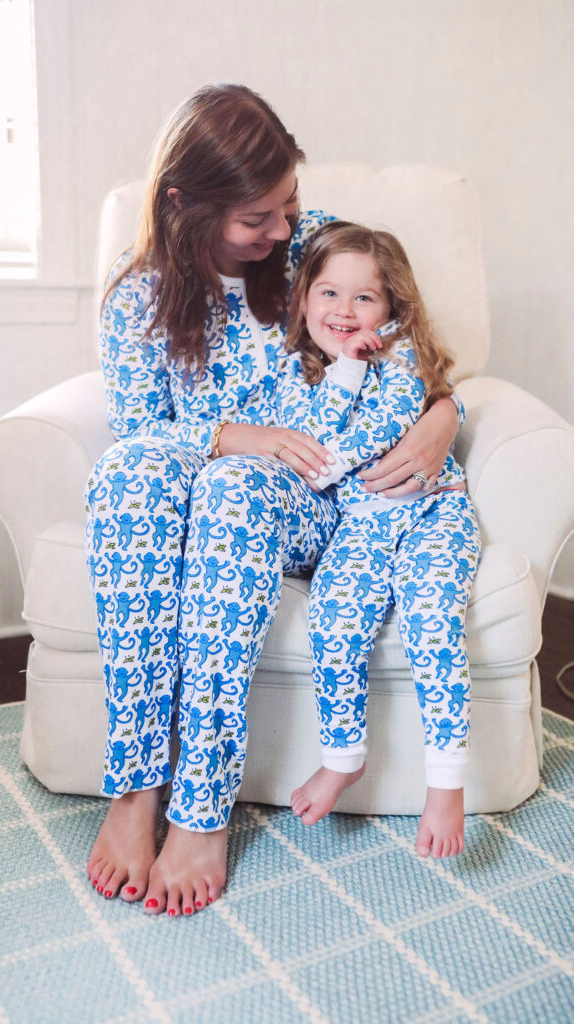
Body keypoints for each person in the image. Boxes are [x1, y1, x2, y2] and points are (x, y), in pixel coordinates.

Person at [84, 84, 464, 917]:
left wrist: (442, 416)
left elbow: (407, 346)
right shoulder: (135, 298)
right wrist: (232, 434)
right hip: (206, 491)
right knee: (129, 477)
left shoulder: (310, 250)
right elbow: (140, 436)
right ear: (185, 206)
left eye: (289, 203)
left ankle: (201, 804)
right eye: (258, 217)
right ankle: (139, 786)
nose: (283, 230)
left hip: (311, 504)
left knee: (233, 490)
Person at [276, 221, 481, 858]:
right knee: (333, 620)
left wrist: (329, 445)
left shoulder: (403, 362)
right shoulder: (296, 374)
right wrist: (339, 372)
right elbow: (302, 434)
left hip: (432, 515)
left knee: (431, 613)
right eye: (329, 293)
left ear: (392, 307)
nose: (344, 311)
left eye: (365, 298)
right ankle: (343, 758)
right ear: (305, 298)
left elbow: (366, 436)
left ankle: (446, 783)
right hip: (360, 531)